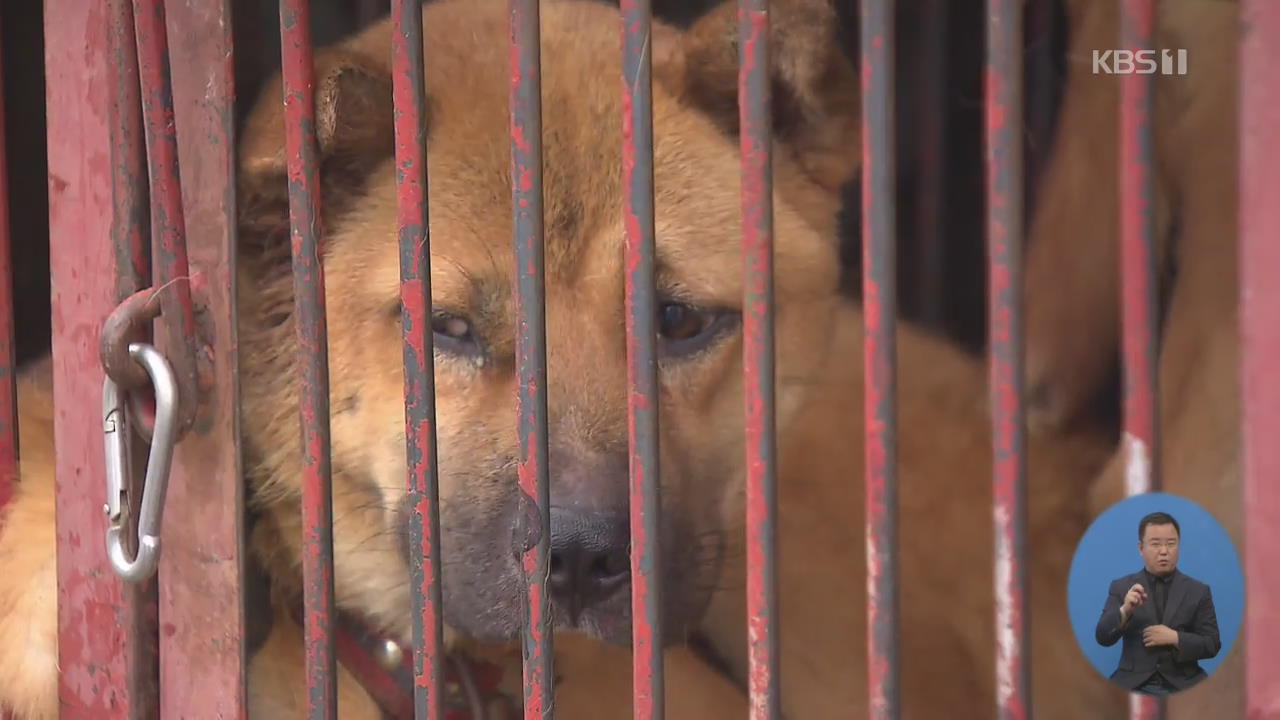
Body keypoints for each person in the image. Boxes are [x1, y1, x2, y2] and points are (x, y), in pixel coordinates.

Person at [1094, 511, 1222, 695]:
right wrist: (1125, 611)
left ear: (1179, 546)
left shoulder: (1199, 591)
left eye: (1171, 544)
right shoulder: (1122, 587)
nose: (1164, 551)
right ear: (1140, 548)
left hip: (1184, 683)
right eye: (1155, 544)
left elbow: (1212, 644)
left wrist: (1176, 638)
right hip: (1133, 684)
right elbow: (1103, 637)